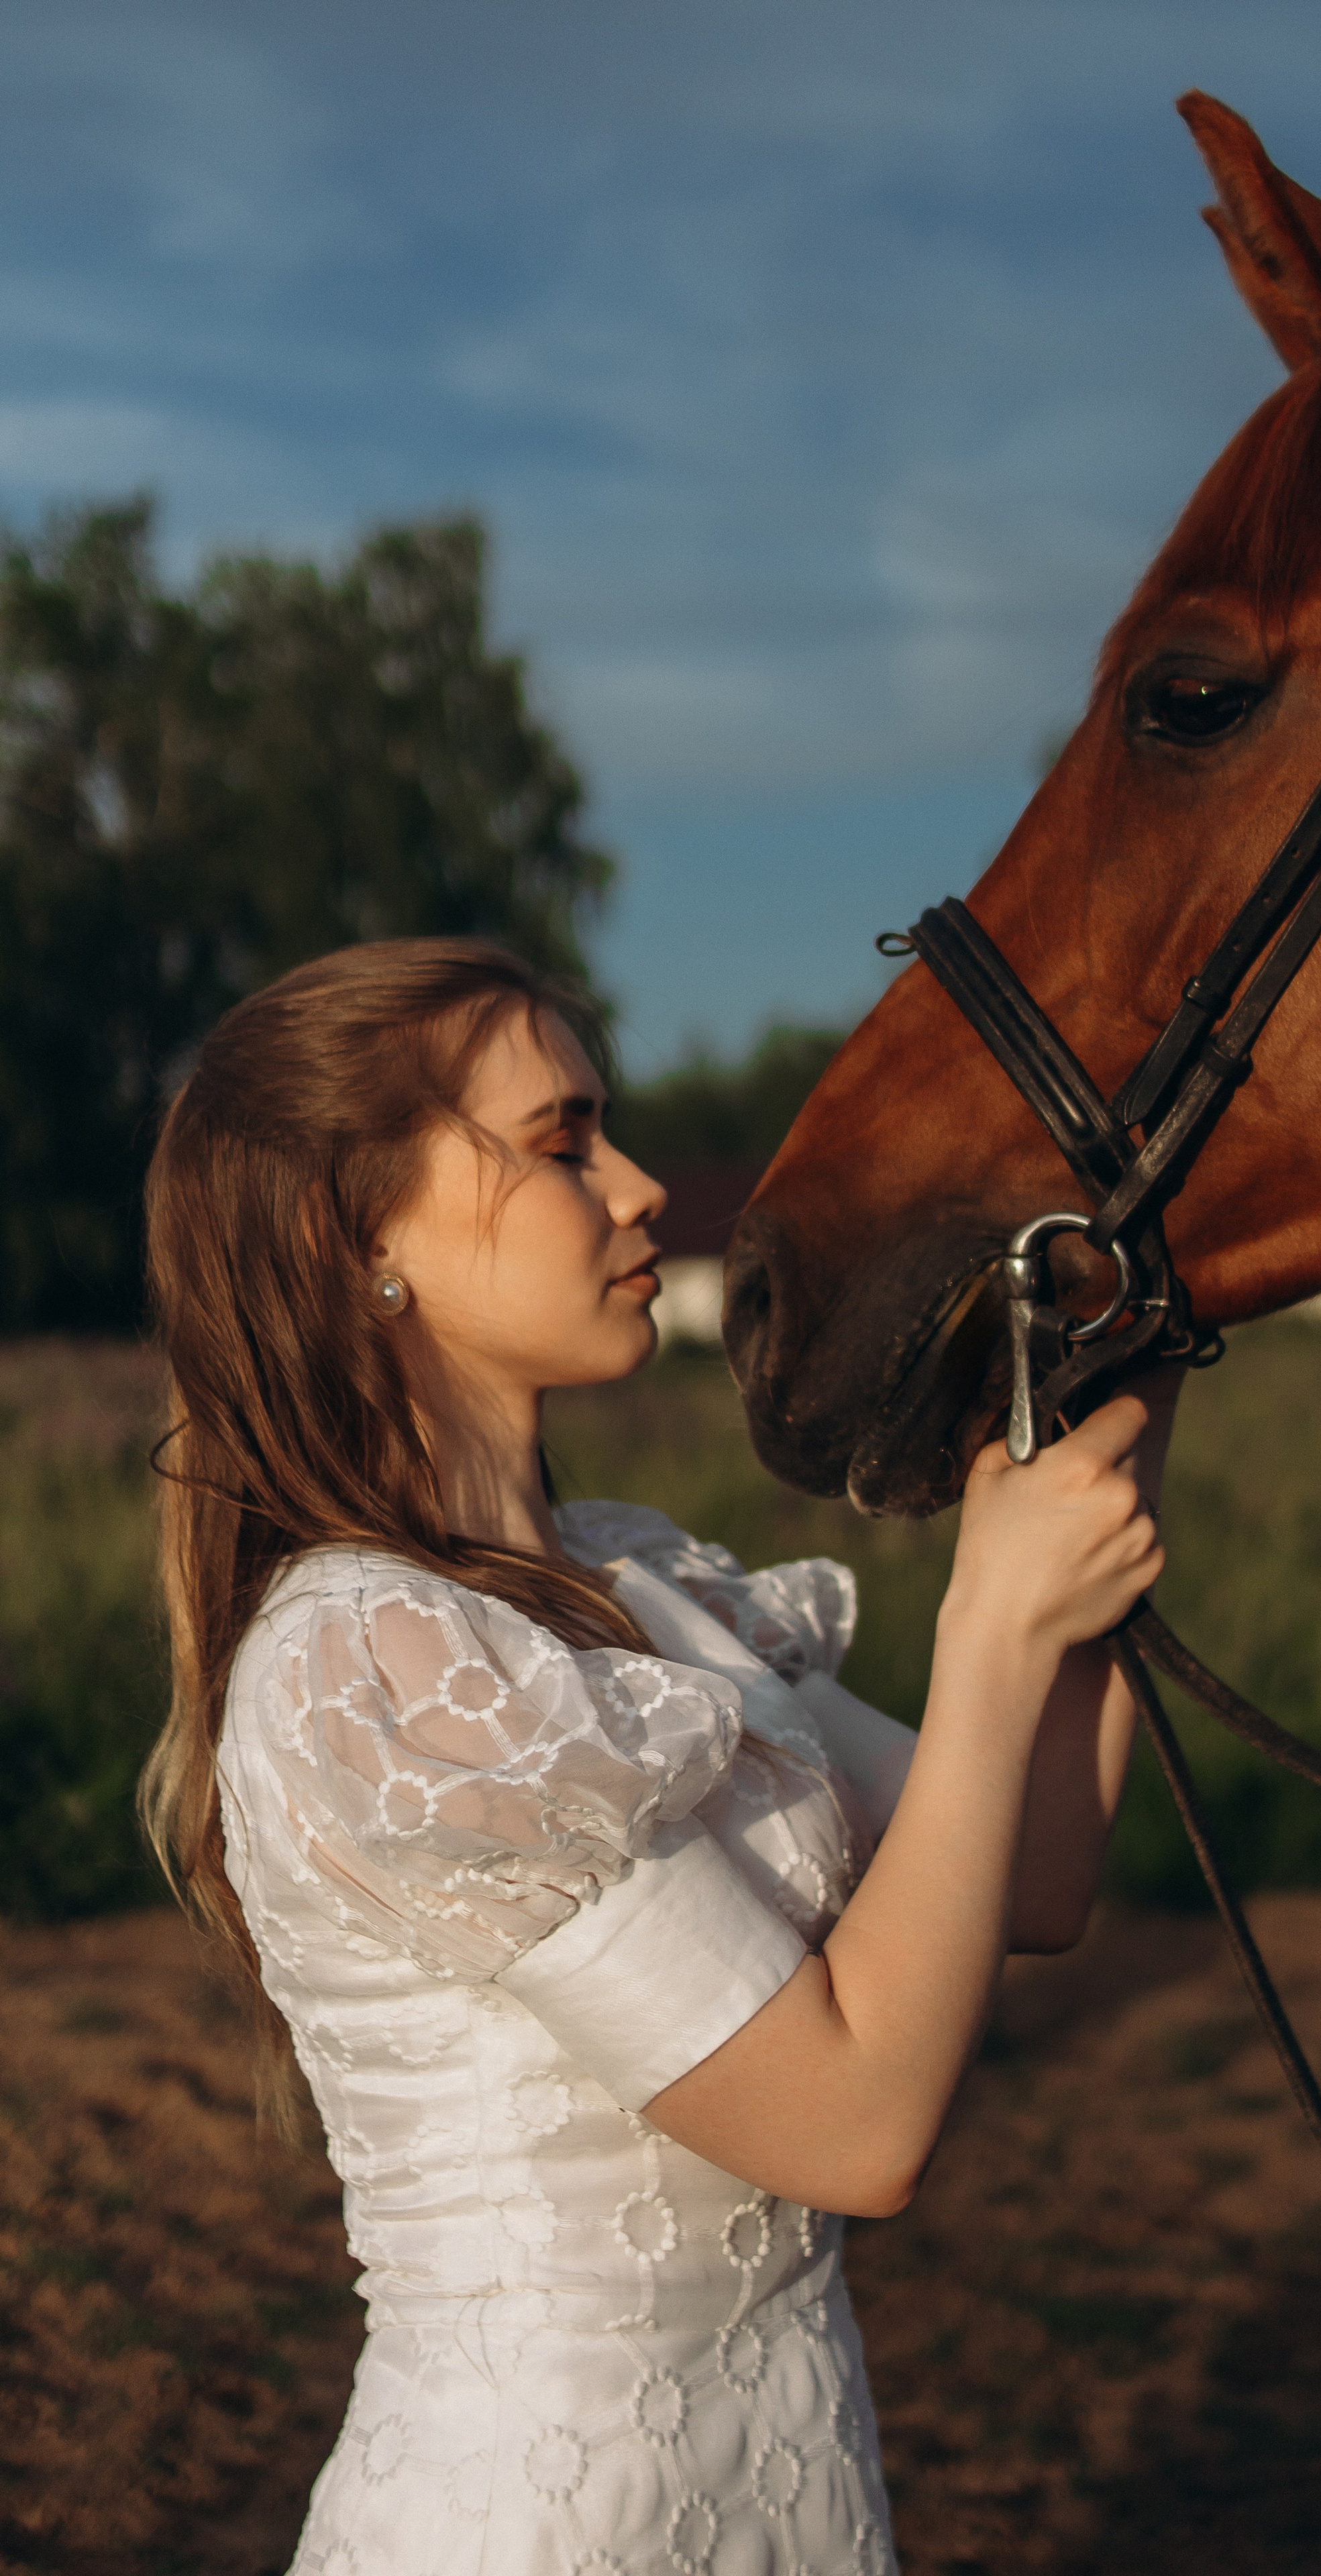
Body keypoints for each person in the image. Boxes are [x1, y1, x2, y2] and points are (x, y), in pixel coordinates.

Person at [140, 937, 1175, 2576]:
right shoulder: (376, 1666)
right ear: (359, 1242)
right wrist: (985, 1634)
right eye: (559, 1144)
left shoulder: (642, 1593)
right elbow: (855, 2129)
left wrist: (1116, 1420)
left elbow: (1029, 1872)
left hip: (798, 2504)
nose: (638, 1192)